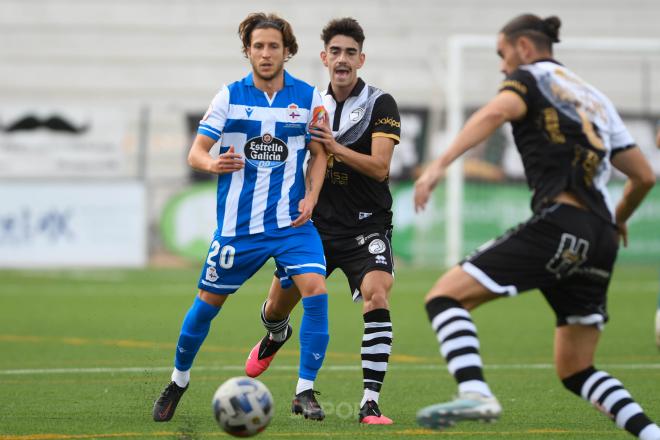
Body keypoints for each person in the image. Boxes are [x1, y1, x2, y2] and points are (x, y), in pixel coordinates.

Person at [413, 14, 659, 439]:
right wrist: (619, 220)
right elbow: (644, 176)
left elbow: (495, 112)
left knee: (444, 296)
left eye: (502, 54)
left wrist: (438, 165)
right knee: (576, 369)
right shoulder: (595, 96)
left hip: (562, 222)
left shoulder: (527, 78)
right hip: (601, 236)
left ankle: (475, 392)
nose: (502, 66)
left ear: (524, 47)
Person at [152, 12, 331, 422]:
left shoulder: (308, 98)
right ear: (247, 50)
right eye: (258, 46)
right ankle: (179, 380)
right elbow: (196, 152)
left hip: (291, 223)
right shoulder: (229, 96)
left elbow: (321, 154)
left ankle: (305, 391)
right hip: (238, 228)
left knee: (315, 290)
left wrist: (312, 197)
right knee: (206, 306)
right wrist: (212, 165)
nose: (266, 54)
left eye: (273, 46)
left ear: (288, 51)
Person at [243, 17, 401, 424]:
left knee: (377, 294)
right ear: (324, 57)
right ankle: (276, 333)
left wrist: (332, 148)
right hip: (313, 226)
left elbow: (381, 168)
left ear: (361, 59)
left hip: (366, 225)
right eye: (336, 52)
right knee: (277, 307)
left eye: (350, 52)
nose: (342, 59)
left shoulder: (381, 104)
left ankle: (369, 402)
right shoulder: (311, 102)